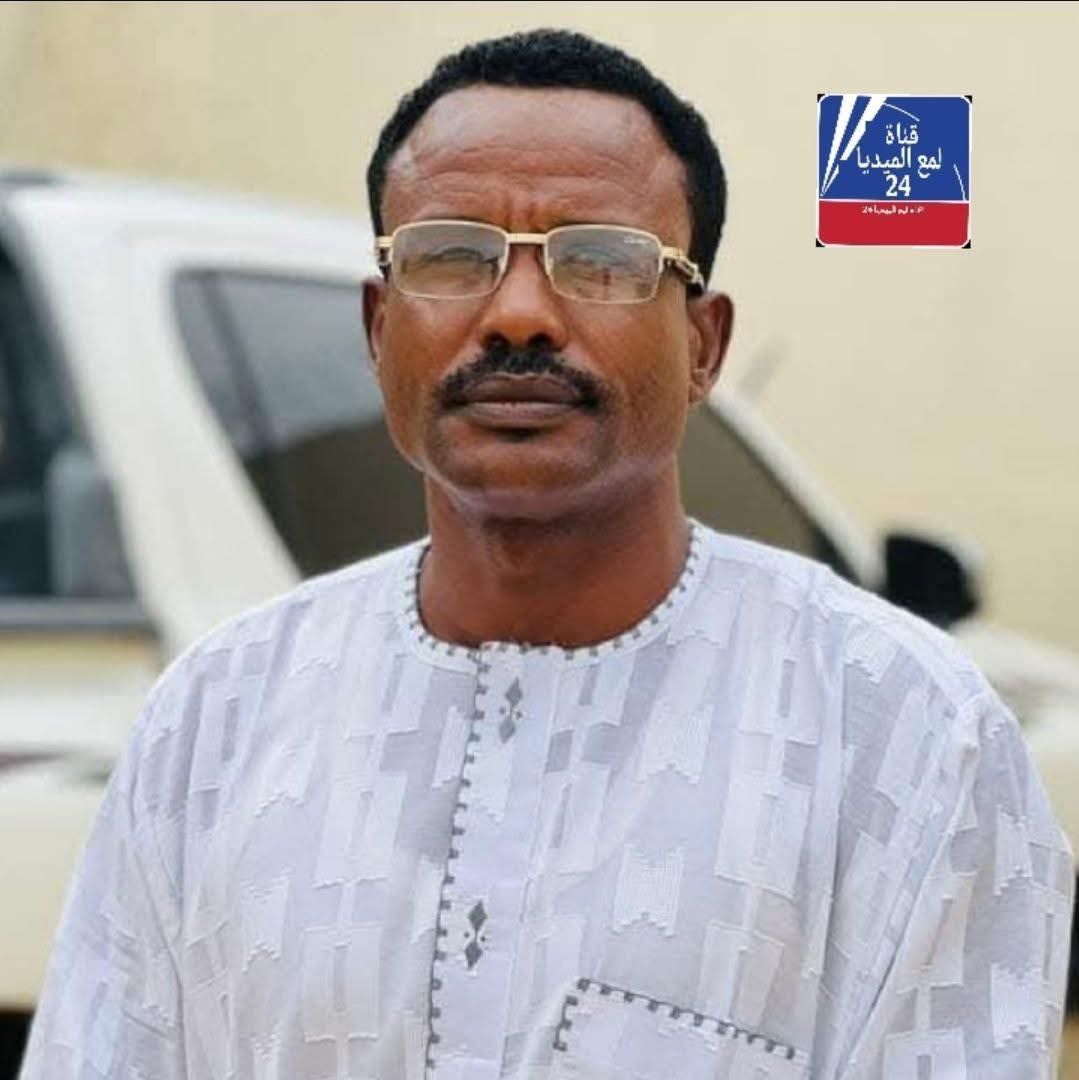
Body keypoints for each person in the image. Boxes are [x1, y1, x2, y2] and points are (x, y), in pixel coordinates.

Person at [20, 28, 1072, 1080]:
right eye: (451, 256)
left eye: (600, 261)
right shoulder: (214, 719)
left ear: (702, 344)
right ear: (378, 328)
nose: (518, 315)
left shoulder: (902, 738)